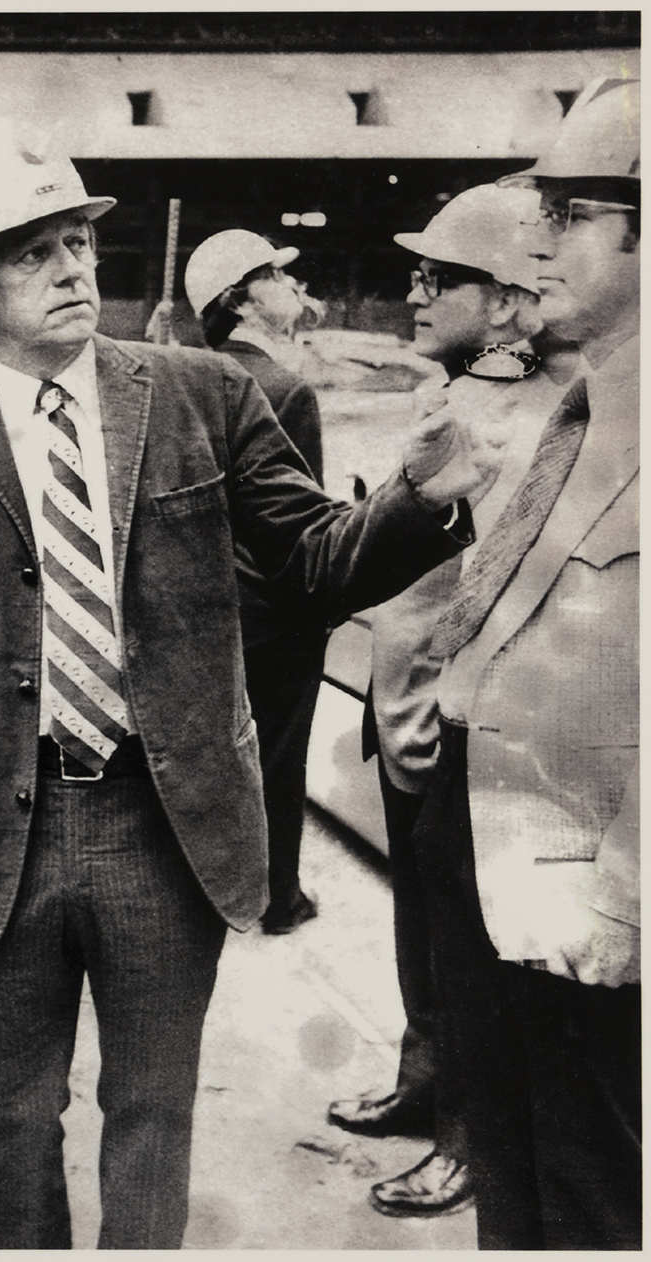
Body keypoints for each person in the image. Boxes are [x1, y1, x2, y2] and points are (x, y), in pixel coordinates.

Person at [0, 122, 500, 1249]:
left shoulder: (202, 395)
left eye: (77, 241)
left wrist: (417, 494)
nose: (74, 269)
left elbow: (314, 558)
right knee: (12, 1121)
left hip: (158, 829)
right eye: (32, 253)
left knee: (151, 1113)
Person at [416, 77, 639, 1249]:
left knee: (597, 1194)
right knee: (513, 1174)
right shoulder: (590, 400)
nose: (533, 241)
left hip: (598, 910)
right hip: (505, 867)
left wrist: (628, 901)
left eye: (567, 213)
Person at [326, 182, 575, 1220]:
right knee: (419, 924)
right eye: (416, 273)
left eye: (441, 278)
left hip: (466, 724)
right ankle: (423, 1080)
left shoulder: (545, 406)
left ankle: (463, 1136)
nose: (415, 292)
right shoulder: (463, 390)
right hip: (403, 704)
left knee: (469, 947)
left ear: (511, 294)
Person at [187, 229, 327, 934]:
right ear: (241, 300)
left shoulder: (194, 379)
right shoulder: (283, 388)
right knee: (278, 753)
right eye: (275, 275)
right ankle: (277, 898)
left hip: (208, 606)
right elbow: (303, 531)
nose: (293, 286)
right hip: (277, 611)